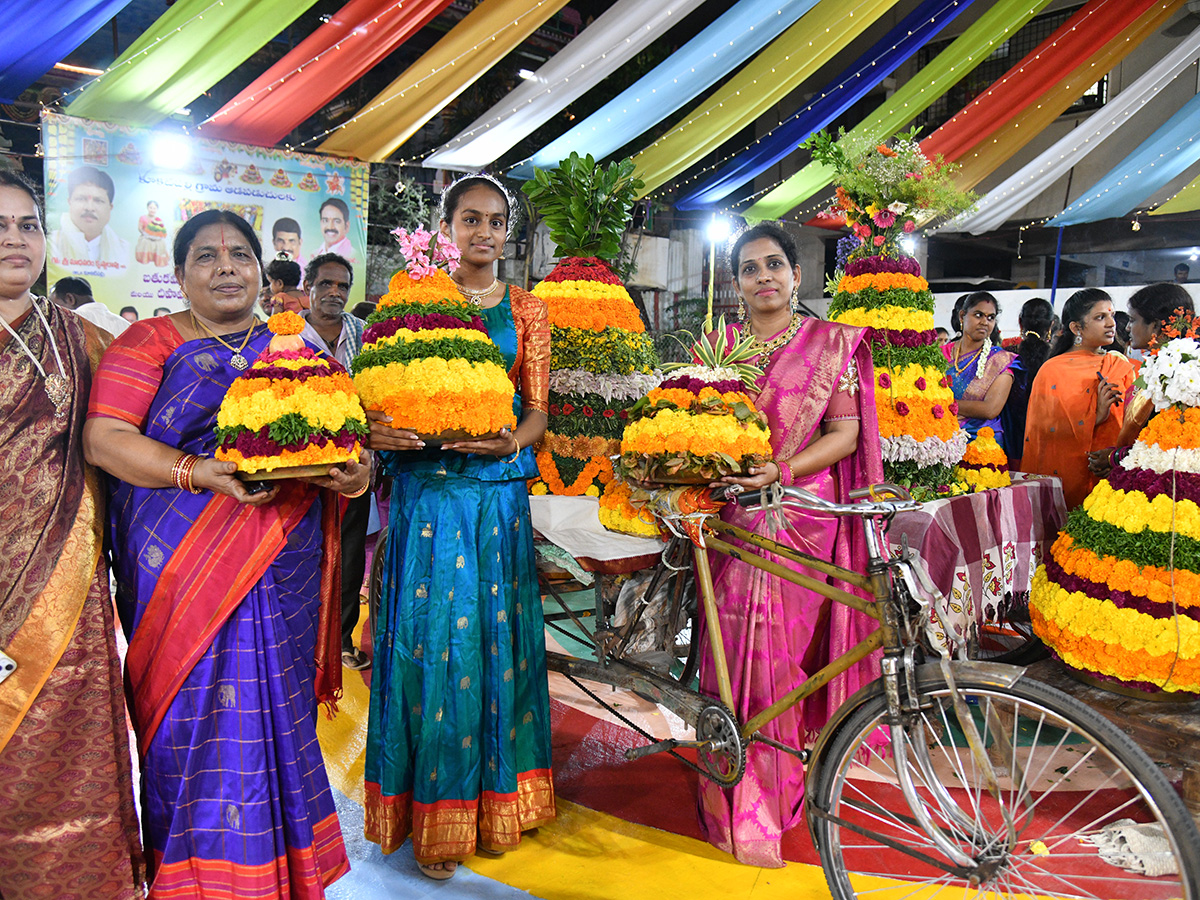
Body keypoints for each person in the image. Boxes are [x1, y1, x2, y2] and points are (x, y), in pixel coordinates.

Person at [83, 209, 365, 896]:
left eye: (239, 253)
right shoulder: (148, 342)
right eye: (206, 256)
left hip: (282, 565)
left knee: (278, 713)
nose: (226, 266)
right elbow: (103, 439)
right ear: (180, 274)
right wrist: (197, 472)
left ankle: (283, 876)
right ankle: (196, 878)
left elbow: (344, 438)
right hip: (181, 572)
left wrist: (358, 476)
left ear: (261, 272)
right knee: (194, 723)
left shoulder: (296, 346)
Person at [363, 174, 554, 880]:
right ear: (445, 229)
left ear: (509, 233)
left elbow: (536, 406)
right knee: (434, 644)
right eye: (470, 219)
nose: (484, 232)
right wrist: (381, 430)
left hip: (496, 496)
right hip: (426, 492)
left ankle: (498, 800)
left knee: (494, 645)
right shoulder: (412, 297)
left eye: (496, 222)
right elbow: (375, 389)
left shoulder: (528, 309)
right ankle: (434, 813)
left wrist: (512, 443)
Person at [703, 222, 883, 868]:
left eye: (774, 265)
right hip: (729, 523)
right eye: (750, 269)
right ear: (737, 283)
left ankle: (770, 798)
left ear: (798, 276)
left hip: (798, 518)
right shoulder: (719, 348)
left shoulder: (826, 344)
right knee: (727, 658)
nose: (764, 278)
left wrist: (781, 470)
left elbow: (843, 432)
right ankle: (731, 780)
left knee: (778, 665)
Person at [0, 170, 144, 899]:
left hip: (64, 583)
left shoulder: (82, 338)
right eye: (0, 225)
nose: (15, 240)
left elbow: (137, 435)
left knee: (69, 750)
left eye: (27, 224)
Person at [298, 253, 371, 671]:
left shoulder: (363, 335)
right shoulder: (283, 337)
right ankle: (300, 638)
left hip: (351, 466)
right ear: (309, 287)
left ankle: (341, 640)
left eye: (342, 286)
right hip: (297, 469)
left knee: (347, 556)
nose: (334, 293)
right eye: (325, 284)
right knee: (300, 552)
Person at [1022, 288, 1134, 508]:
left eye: (1111, 315)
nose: (1111, 323)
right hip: (1068, 473)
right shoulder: (1053, 370)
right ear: (1076, 328)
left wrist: (1115, 458)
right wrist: (1097, 415)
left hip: (1114, 470)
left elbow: (1132, 421)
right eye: (1100, 317)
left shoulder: (1119, 365)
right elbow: (1044, 430)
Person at [1088, 281, 1196, 478]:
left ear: (1154, 326)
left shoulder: (1182, 374)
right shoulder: (1157, 365)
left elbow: (1172, 447)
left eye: (1133, 320)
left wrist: (1115, 457)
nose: (1128, 327)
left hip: (1169, 485)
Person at [942, 292, 1015, 444]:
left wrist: (942, 404)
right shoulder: (941, 354)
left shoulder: (1001, 360)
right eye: (978, 315)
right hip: (940, 436)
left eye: (990, 317)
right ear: (962, 316)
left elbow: (990, 409)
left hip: (982, 442)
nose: (984, 322)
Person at [999, 297, 1053, 467]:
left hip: (1009, 440)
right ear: (1050, 326)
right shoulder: (1057, 358)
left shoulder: (1005, 356)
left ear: (1020, 323)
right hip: (1047, 438)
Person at [50, 166, 130, 266]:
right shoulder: (51, 244)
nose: (89, 207)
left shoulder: (124, 250)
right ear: (69, 202)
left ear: (110, 207)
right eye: (81, 199)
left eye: (98, 201)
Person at [50, 274, 130, 335]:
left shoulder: (67, 322)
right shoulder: (126, 326)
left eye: (56, 306)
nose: (54, 312)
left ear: (70, 299)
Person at [317, 198, 356, 263]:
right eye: (325, 220)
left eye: (337, 221)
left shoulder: (353, 255)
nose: (330, 227)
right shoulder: (314, 254)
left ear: (346, 226)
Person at [135, 200, 170, 267]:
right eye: (150, 207)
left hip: (157, 238)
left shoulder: (158, 219)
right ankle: (145, 259)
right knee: (145, 242)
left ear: (157, 209)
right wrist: (146, 234)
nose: (152, 210)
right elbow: (140, 228)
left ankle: (158, 261)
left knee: (161, 242)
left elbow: (161, 231)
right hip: (146, 237)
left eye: (154, 208)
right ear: (147, 208)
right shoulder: (143, 218)